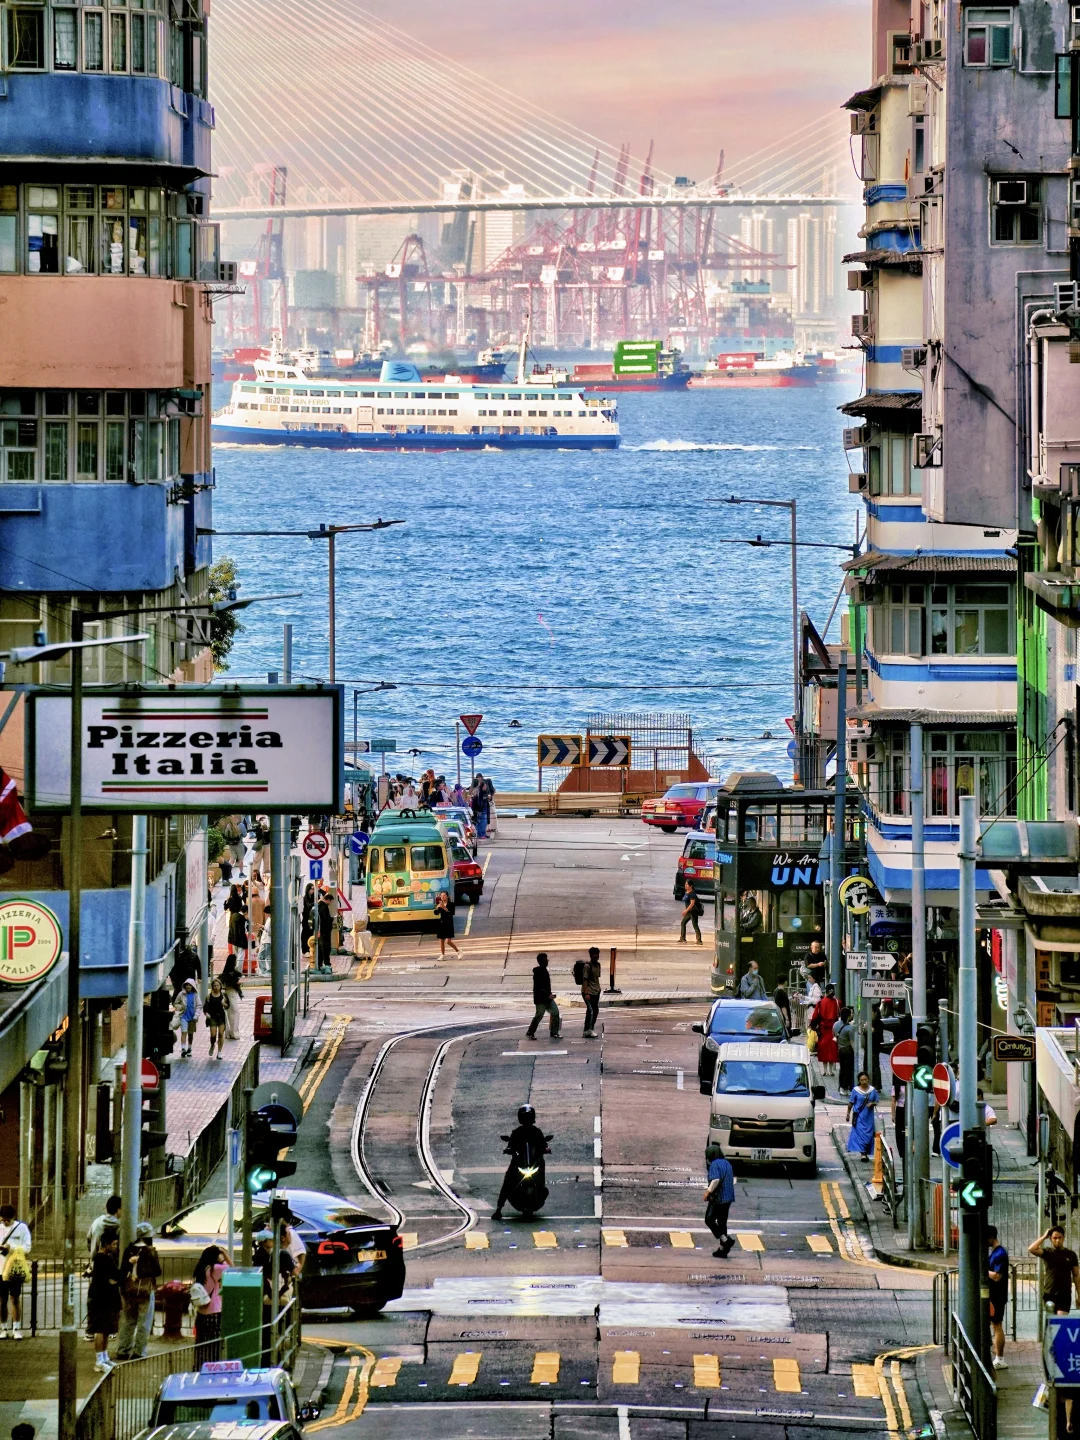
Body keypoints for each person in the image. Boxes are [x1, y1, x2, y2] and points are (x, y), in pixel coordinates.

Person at [492, 1106, 549, 1220]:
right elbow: (510, 1145)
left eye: (529, 1118)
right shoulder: (516, 1133)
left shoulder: (537, 1132)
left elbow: (544, 1144)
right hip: (519, 1163)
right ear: (521, 1119)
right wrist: (509, 1150)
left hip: (534, 1163)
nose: (527, 1121)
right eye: (525, 1118)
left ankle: (541, 1191)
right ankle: (499, 1208)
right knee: (508, 1180)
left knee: (541, 1168)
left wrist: (546, 1149)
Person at [115, 1221, 161, 1359]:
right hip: (145, 1290)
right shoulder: (150, 1251)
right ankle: (139, 1351)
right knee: (144, 1322)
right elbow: (157, 1271)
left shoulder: (128, 1249)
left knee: (128, 1321)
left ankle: (123, 1350)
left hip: (129, 1290)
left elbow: (123, 1270)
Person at [87, 1223, 122, 1372]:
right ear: (107, 1244)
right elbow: (116, 1276)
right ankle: (99, 1360)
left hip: (105, 1299)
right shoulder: (103, 1259)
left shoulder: (103, 1258)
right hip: (101, 1300)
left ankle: (104, 1357)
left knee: (106, 1330)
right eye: (113, 1244)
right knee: (101, 1330)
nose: (115, 1247)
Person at [1029, 1225, 1080, 1315]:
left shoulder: (1071, 1254)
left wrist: (1079, 1294)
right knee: (1051, 1324)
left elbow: (1076, 1275)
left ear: (1063, 1238)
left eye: (1060, 1238)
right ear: (1051, 1239)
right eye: (1054, 1238)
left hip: (1064, 1294)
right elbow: (1032, 1249)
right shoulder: (1047, 1252)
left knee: (1061, 1321)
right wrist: (1044, 1236)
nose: (1057, 1240)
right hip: (1050, 1292)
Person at [191, 1244, 229, 1360]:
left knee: (201, 1343)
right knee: (214, 1345)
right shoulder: (215, 1269)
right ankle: (212, 1367)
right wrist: (224, 1256)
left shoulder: (201, 1268)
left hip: (201, 1313)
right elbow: (231, 1268)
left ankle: (199, 1366)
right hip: (214, 1312)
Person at [0, 1206, 31, 1340]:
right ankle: (3, 1327)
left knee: (15, 1298)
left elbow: (27, 1248)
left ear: (13, 1217)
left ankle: (16, 1328)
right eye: (2, 1220)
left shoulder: (22, 1228)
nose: (4, 1223)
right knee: (2, 1299)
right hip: (0, 1268)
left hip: (14, 1269)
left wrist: (11, 1247)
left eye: (7, 1220)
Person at [703, 1143, 736, 1258]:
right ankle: (723, 1250)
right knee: (722, 1223)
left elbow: (715, 1180)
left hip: (719, 1198)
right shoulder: (727, 1163)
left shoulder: (714, 1164)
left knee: (709, 1219)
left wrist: (708, 1192)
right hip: (729, 1198)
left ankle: (725, 1240)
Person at [987, 1225, 1009, 1369]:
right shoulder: (995, 1252)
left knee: (997, 1326)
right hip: (993, 1295)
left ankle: (1000, 1358)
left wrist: (982, 1269)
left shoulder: (1000, 1253)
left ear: (991, 1238)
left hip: (997, 1295)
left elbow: (997, 1276)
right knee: (993, 1325)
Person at [525, 952, 561, 1039]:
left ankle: (554, 1032)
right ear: (541, 961)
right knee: (539, 1015)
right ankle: (530, 1032)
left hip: (548, 998)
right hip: (541, 998)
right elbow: (538, 987)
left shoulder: (545, 971)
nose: (547, 961)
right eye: (545, 960)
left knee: (555, 1012)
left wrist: (549, 995)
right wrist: (548, 995)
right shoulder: (538, 972)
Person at [846, 1072, 878, 1160]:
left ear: (868, 1080)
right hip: (859, 1116)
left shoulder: (872, 1090)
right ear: (859, 1081)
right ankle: (863, 1153)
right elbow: (851, 1103)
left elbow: (877, 1101)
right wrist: (848, 1114)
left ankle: (866, 1151)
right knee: (860, 1134)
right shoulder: (855, 1090)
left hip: (869, 1117)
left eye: (865, 1079)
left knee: (868, 1134)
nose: (864, 1081)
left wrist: (872, 1103)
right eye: (862, 1080)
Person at [811, 983, 840, 1076]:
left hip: (823, 1029)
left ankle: (824, 1070)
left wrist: (813, 1026)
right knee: (832, 1049)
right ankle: (831, 1070)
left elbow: (815, 1016)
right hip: (833, 1029)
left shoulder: (820, 1003)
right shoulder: (837, 1002)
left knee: (823, 1049)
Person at [86, 1194, 122, 1258]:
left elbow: (88, 1238)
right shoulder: (118, 1226)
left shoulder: (96, 1222)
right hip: (110, 1263)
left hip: (95, 1260)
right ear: (118, 1209)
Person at [173, 977, 199, 1058]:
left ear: (193, 986)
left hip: (192, 1018)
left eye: (190, 985)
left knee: (190, 1034)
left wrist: (196, 1015)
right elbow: (175, 1003)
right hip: (183, 1016)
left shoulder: (195, 995)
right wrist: (180, 1007)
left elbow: (199, 1006)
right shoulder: (181, 994)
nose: (188, 987)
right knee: (184, 1032)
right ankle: (183, 1048)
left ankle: (189, 1048)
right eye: (187, 985)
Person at [203, 977, 228, 1059]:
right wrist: (206, 1014)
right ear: (212, 986)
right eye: (214, 985)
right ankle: (212, 1044)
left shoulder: (223, 995)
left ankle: (219, 1051)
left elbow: (228, 1006)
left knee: (221, 1034)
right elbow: (205, 1008)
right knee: (213, 1035)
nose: (216, 987)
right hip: (212, 1017)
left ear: (220, 986)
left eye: (218, 985)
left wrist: (224, 1004)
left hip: (221, 1017)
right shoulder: (209, 996)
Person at [221, 953, 243, 1039]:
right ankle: (234, 1032)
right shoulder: (234, 974)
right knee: (235, 1012)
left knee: (228, 1013)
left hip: (227, 994)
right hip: (231, 994)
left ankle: (228, 1032)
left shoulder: (225, 973)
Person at [581, 946, 601, 1039]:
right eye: (594, 954)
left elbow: (596, 978)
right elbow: (585, 980)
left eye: (597, 954)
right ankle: (587, 1030)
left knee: (595, 1011)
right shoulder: (587, 966)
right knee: (591, 1011)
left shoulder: (598, 965)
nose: (596, 956)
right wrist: (586, 993)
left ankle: (590, 1029)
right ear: (590, 955)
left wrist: (598, 989)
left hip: (596, 992)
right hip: (589, 992)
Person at [434, 888, 460, 957]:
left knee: (448, 941)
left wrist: (444, 908)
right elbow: (436, 913)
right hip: (441, 923)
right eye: (441, 896)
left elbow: (451, 913)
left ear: (447, 896)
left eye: (444, 895)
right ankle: (442, 955)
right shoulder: (441, 904)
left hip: (448, 924)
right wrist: (437, 907)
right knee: (441, 940)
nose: (442, 897)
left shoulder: (451, 904)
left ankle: (458, 951)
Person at [836, 1007, 856, 1093]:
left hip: (840, 1049)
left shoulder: (835, 1025)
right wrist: (856, 1052)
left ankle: (841, 1086)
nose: (852, 1015)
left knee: (842, 1069)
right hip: (848, 1050)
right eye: (851, 1014)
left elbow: (834, 1036)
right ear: (848, 1016)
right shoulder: (850, 1028)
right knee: (849, 1069)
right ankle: (846, 1087)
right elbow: (852, 1042)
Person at [890, 1069, 906, 1173]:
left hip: (911, 1110)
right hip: (900, 1110)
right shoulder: (896, 1086)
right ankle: (902, 1153)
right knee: (899, 1132)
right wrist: (893, 1114)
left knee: (909, 1130)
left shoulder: (912, 1083)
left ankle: (910, 1147)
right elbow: (893, 1101)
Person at [679, 880, 705, 944]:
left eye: (687, 884)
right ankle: (682, 938)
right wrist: (686, 911)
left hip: (693, 912)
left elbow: (692, 904)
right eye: (685, 884)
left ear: (691, 886)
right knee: (683, 923)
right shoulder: (686, 892)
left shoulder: (692, 894)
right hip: (689, 912)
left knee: (695, 925)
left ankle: (699, 940)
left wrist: (686, 911)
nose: (685, 885)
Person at [316, 884, 334, 972]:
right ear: (328, 900)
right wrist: (332, 919)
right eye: (330, 901)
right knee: (326, 948)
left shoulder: (319, 906)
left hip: (320, 931)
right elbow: (326, 919)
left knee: (320, 948)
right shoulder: (324, 907)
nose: (330, 903)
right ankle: (327, 963)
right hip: (325, 931)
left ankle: (319, 964)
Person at [300, 883, 316, 962]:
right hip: (306, 919)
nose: (312, 891)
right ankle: (304, 950)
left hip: (312, 919)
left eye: (313, 889)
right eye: (311, 889)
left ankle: (310, 949)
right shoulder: (305, 898)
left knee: (311, 934)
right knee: (305, 934)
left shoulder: (313, 897)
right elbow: (307, 907)